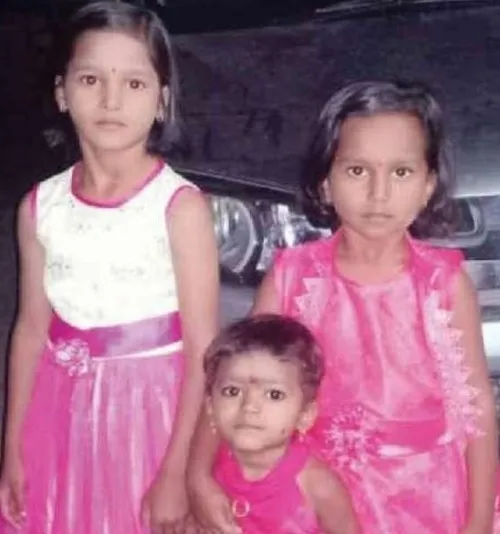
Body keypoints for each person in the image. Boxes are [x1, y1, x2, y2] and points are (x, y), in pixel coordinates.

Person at [188, 81, 499, 533]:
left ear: (428, 185)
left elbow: (476, 408)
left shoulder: (443, 284)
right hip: (314, 501)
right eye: (357, 170)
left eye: (401, 172)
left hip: (423, 500)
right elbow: (233, 375)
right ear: (326, 183)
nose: (378, 193)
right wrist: (198, 474)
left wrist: (477, 521)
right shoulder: (294, 277)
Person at [0, 2, 219, 533]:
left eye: (134, 83)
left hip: (151, 418)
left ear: (162, 100)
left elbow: (205, 348)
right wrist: (12, 448)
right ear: (61, 92)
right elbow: (29, 330)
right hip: (58, 414)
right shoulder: (40, 207)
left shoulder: (179, 207)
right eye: (91, 79)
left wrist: (179, 471)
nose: (111, 100)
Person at [194, 314, 358, 534]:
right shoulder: (210, 473)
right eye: (232, 391)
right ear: (210, 408)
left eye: (274, 394)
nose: (249, 406)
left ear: (305, 415)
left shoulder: (317, 487)